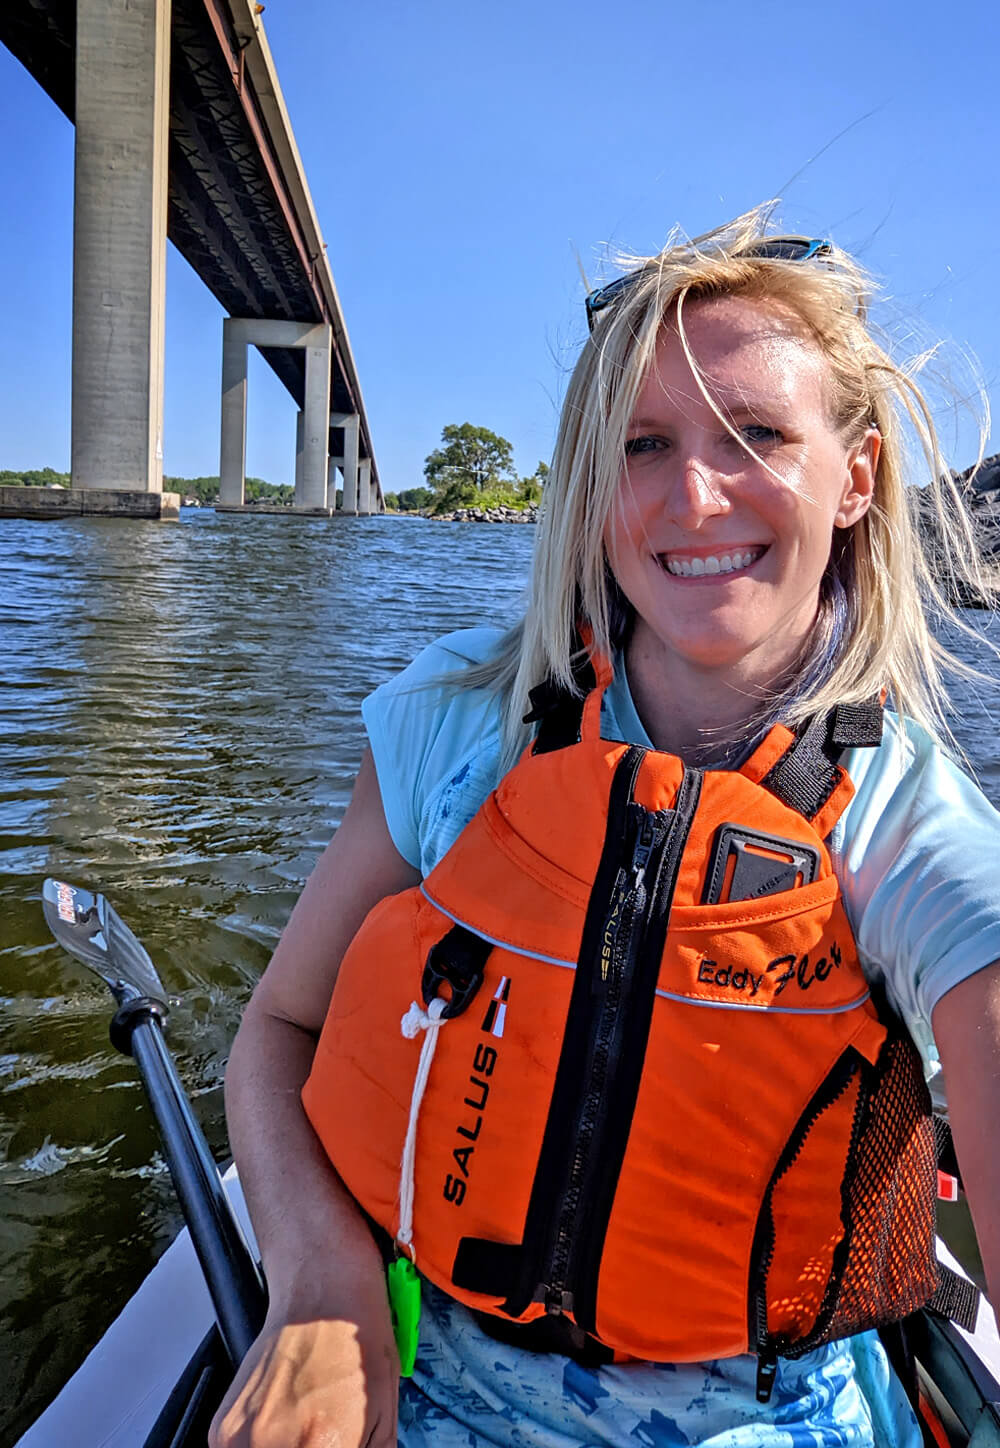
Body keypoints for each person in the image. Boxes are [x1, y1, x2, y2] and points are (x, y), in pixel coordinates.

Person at [209, 207, 1000, 1448]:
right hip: (433, 1386)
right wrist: (321, 1289)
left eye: (756, 434)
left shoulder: (911, 834)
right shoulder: (453, 729)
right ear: (588, 483)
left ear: (854, 476)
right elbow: (278, 1033)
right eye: (643, 444)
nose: (693, 493)